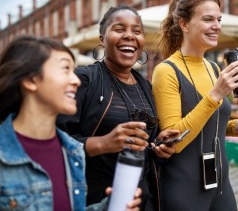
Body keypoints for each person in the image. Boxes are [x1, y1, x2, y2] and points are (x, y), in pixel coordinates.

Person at [57, 5, 180, 210]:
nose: (130, 36)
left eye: (137, 31)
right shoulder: (84, 80)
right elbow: (55, 141)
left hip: (142, 199)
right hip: (97, 200)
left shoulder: (146, 87)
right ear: (102, 38)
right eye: (120, 29)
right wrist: (104, 143)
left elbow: (147, 147)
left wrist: (159, 148)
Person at [152, 0, 238, 211]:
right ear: (184, 25)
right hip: (185, 189)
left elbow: (207, 124)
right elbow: (174, 141)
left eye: (218, 19)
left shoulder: (213, 67)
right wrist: (215, 95)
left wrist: (234, 126)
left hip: (221, 184)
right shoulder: (166, 71)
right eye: (208, 19)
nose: (217, 26)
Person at [0, 36, 142, 211]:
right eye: (65, 69)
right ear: (31, 80)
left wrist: (109, 207)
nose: (75, 80)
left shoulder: (72, 152)